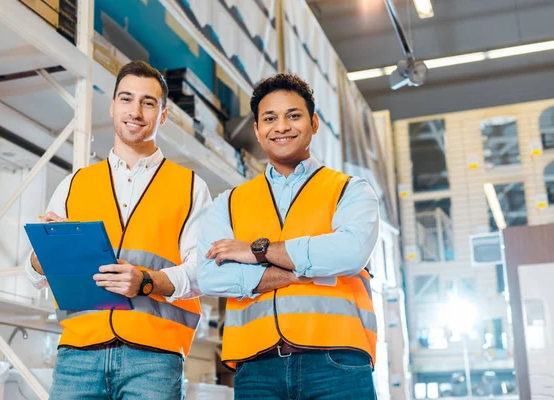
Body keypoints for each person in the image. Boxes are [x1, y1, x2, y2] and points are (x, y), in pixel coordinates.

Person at [26, 60, 211, 400]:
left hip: (154, 357)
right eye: (126, 99)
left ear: (164, 115)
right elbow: (35, 274)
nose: (135, 111)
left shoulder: (190, 187)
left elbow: (203, 271)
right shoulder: (75, 183)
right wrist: (45, 255)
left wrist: (146, 281)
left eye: (148, 102)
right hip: (78, 355)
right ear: (112, 107)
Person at [197, 73, 379, 400]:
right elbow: (209, 277)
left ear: (314, 123)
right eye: (270, 118)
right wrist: (301, 271)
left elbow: (350, 254)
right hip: (257, 366)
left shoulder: (350, 190)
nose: (281, 126)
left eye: (293, 115)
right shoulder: (228, 202)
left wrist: (258, 252)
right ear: (257, 129)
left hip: (337, 361)